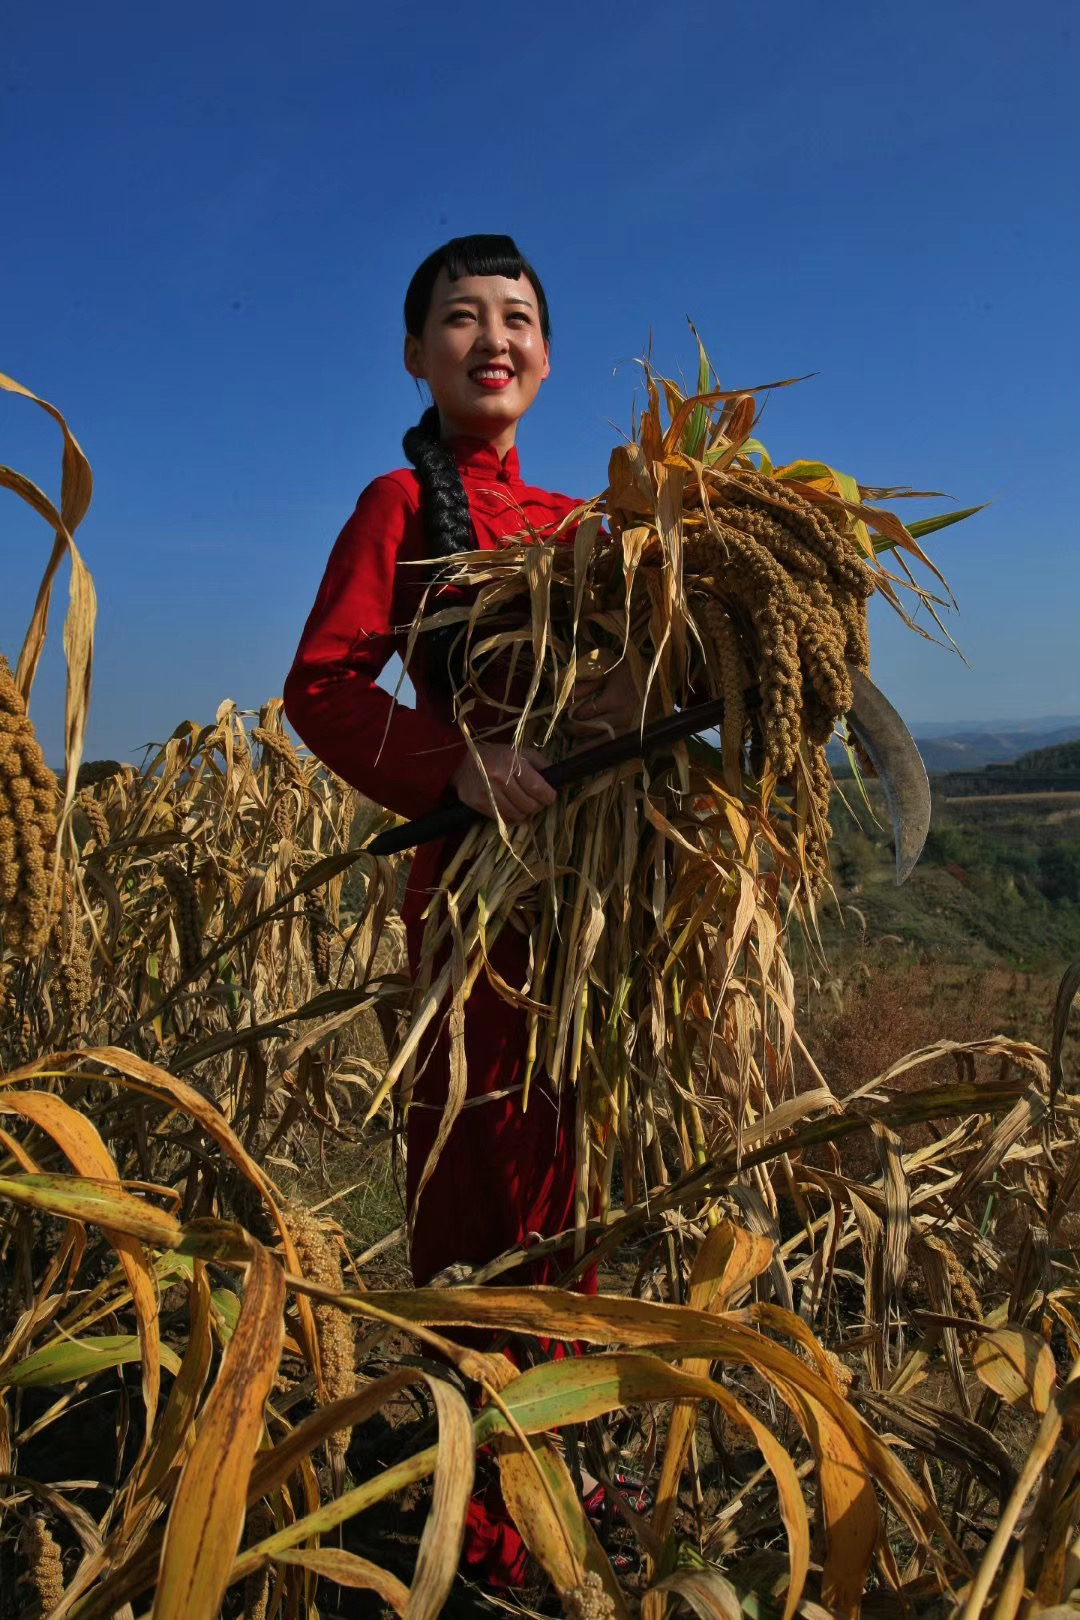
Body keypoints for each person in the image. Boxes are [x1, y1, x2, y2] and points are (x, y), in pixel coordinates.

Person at [283, 235, 641, 1581]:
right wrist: (459, 766)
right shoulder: (398, 503)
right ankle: (486, 1517)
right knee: (489, 1190)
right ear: (418, 352)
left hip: (604, 910)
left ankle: (570, 1476)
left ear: (546, 352)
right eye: (462, 318)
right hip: (480, 902)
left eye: (520, 319)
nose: (495, 339)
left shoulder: (585, 521)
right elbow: (322, 687)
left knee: (581, 1192)